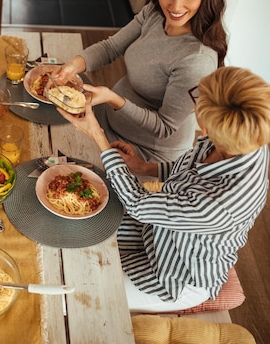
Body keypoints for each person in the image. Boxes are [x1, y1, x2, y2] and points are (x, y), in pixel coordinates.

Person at [57, 66, 270, 312]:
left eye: (197, 103)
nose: (194, 104)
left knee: (75, 297)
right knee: (72, 228)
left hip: (176, 275)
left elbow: (137, 204)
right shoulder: (244, 137)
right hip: (154, 230)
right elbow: (189, 171)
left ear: (209, 129)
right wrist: (144, 167)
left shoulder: (222, 205)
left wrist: (98, 135)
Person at [51, 0, 227, 163]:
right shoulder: (155, 12)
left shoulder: (197, 60)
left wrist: (114, 99)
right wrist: (74, 64)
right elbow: (112, 46)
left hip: (146, 155)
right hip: (108, 119)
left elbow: (164, 127)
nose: (175, 7)